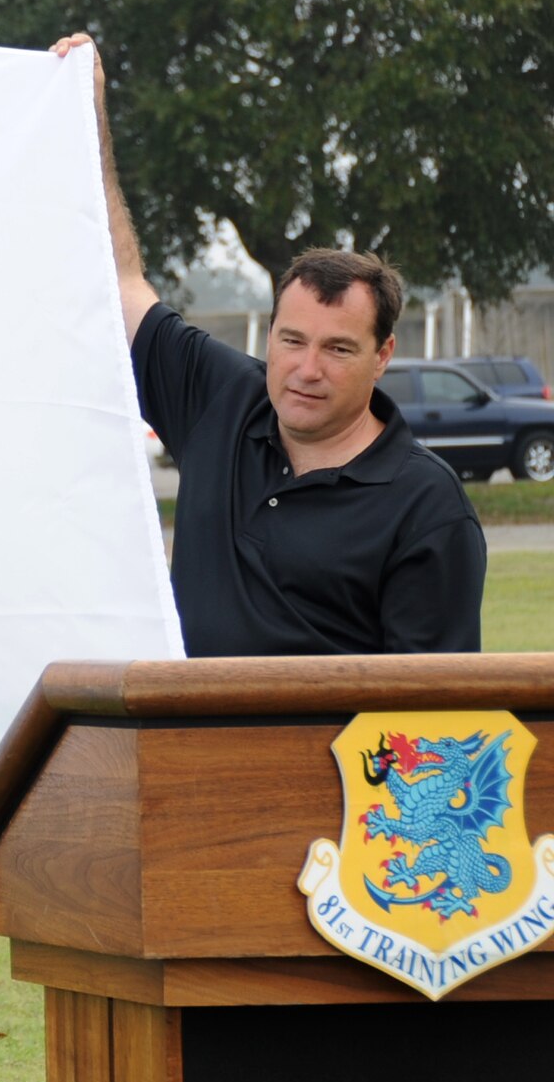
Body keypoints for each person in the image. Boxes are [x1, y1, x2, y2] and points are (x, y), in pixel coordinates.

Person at [54, 32, 485, 656]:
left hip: (323, 758)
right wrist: (87, 112)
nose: (305, 369)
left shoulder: (428, 506)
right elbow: (121, 283)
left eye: (338, 349)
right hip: (186, 751)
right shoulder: (220, 401)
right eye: (291, 340)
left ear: (383, 354)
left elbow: (428, 727)